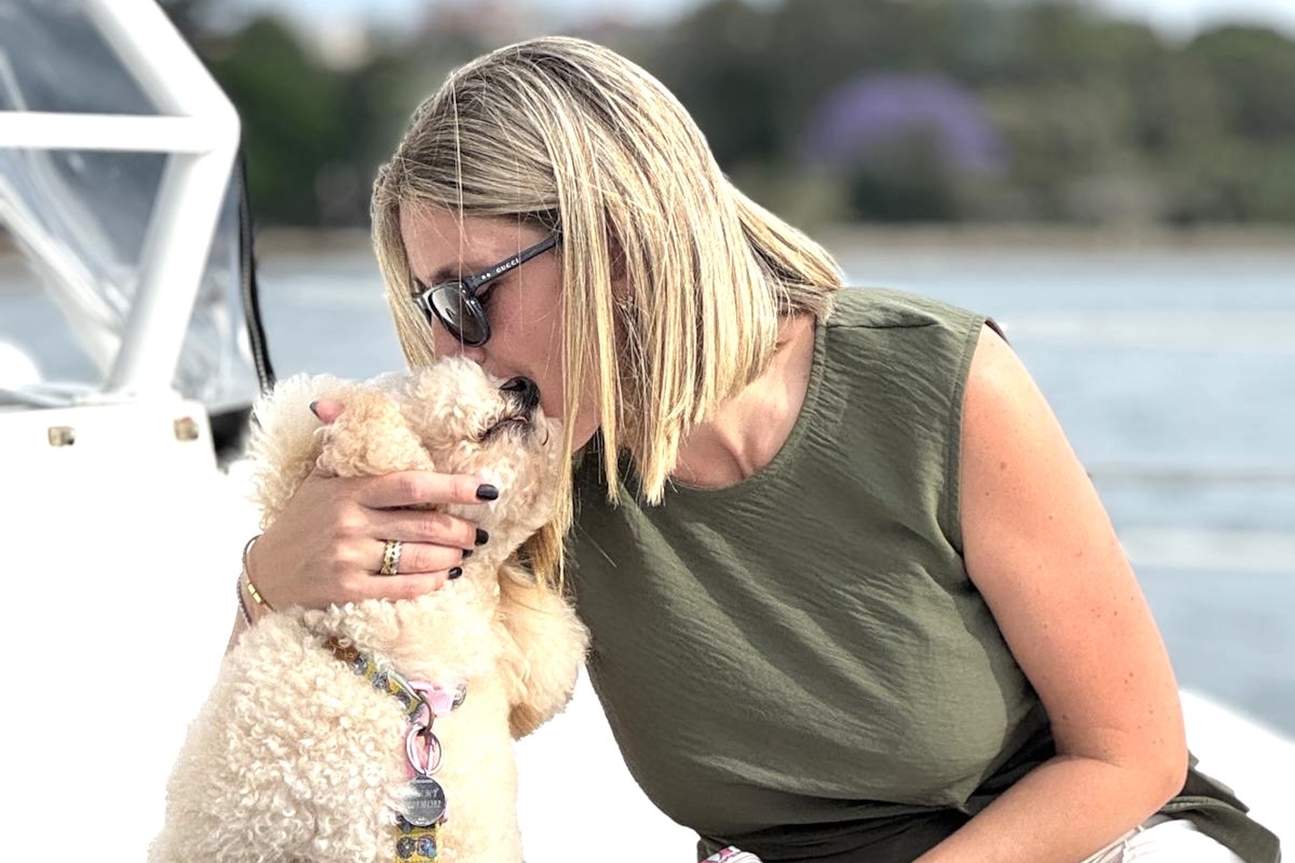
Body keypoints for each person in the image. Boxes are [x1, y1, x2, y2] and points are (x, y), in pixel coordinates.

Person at [228, 36, 1281, 863]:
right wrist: (277, 578)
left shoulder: (933, 384)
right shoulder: (522, 468)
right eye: (427, 305)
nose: (450, 346)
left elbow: (1127, 754)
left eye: (470, 292)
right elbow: (324, 732)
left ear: (620, 245)